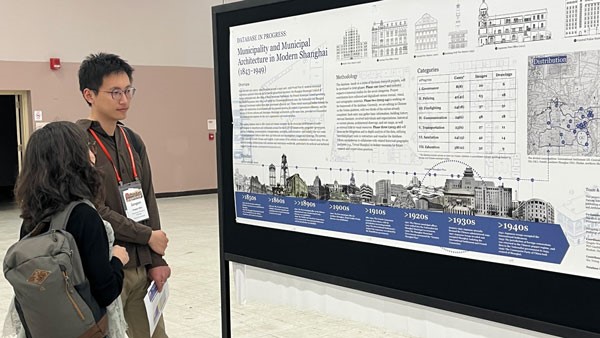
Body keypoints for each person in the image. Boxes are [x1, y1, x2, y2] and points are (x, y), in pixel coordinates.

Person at [76, 52, 170, 338]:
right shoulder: (78, 142)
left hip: (142, 263)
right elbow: (94, 210)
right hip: (107, 266)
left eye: (128, 91)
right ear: (89, 94)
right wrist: (146, 236)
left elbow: (148, 198)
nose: (124, 100)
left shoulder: (132, 140)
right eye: (115, 92)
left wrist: (156, 259)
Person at [7, 121, 129, 337]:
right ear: (75, 160)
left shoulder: (30, 221)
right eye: (86, 147)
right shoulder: (85, 217)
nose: (91, 153)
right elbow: (106, 291)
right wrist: (118, 259)